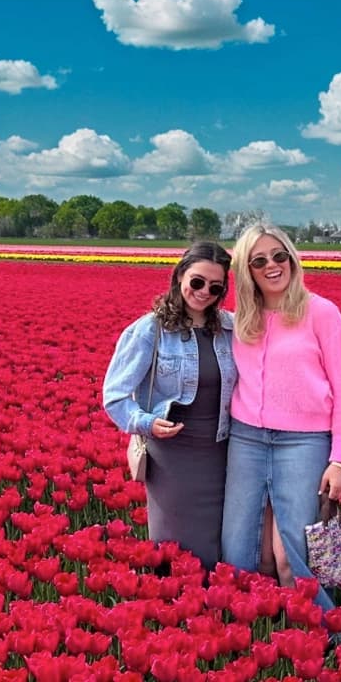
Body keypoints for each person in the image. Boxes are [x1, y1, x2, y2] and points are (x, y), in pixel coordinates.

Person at [221, 222, 341, 615]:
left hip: (304, 443)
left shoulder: (322, 313)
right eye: (258, 261)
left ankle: (324, 634)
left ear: (292, 259)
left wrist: (340, 460)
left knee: (291, 555)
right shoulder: (240, 319)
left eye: (278, 255)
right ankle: (251, 630)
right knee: (241, 549)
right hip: (246, 439)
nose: (271, 265)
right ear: (246, 271)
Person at [102, 241, 238, 571]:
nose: (204, 292)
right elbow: (114, 395)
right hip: (172, 455)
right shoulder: (150, 330)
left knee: (217, 548)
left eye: (215, 287)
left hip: (223, 453)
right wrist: (146, 422)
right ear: (180, 276)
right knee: (173, 547)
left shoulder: (231, 329)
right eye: (197, 281)